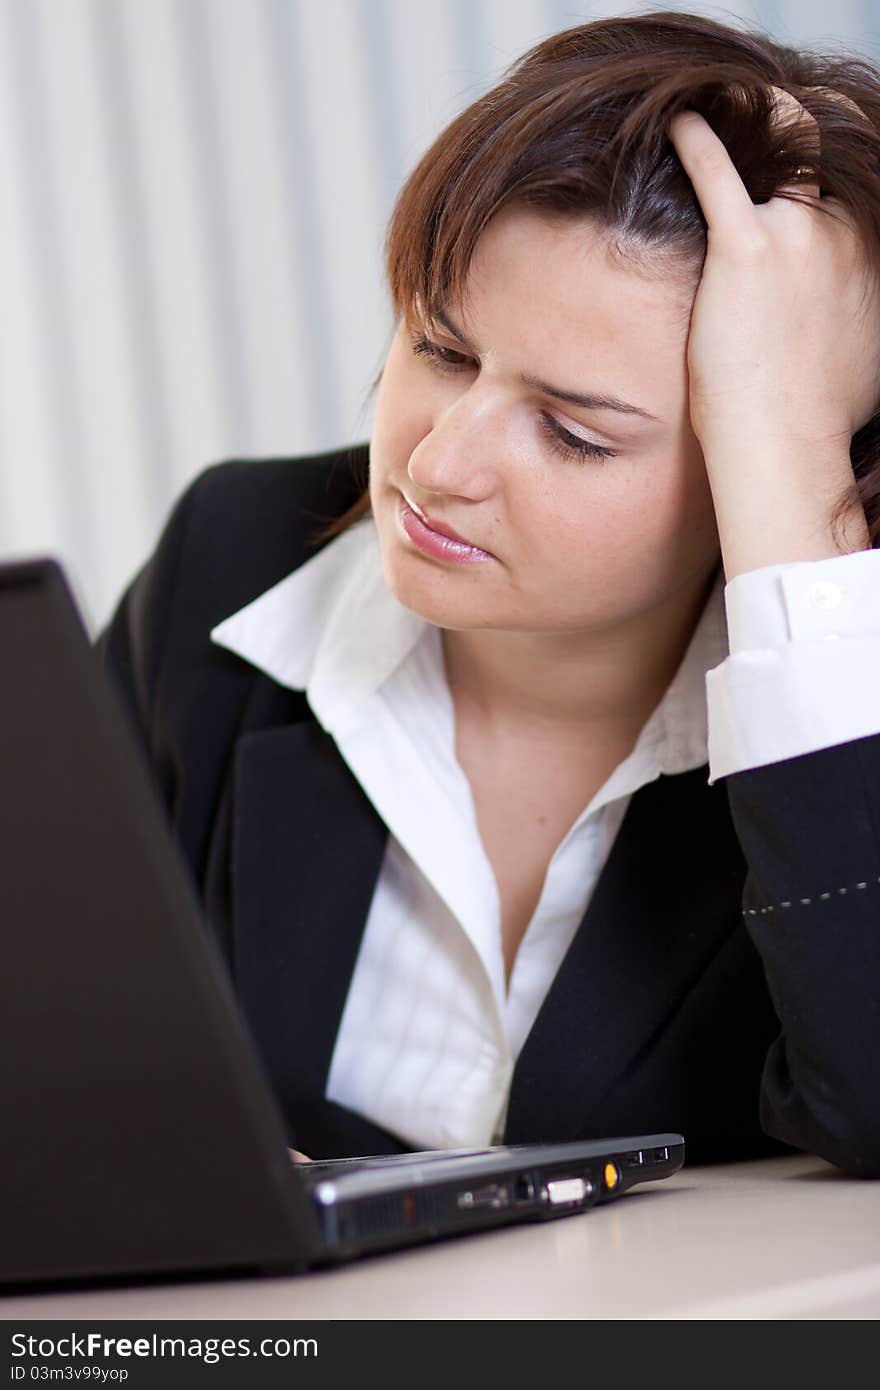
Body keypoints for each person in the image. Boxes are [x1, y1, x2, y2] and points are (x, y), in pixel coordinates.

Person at [98, 9, 880, 1176]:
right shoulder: (231, 562)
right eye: (440, 350)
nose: (436, 466)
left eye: (572, 433)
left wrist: (788, 471)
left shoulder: (838, 691)